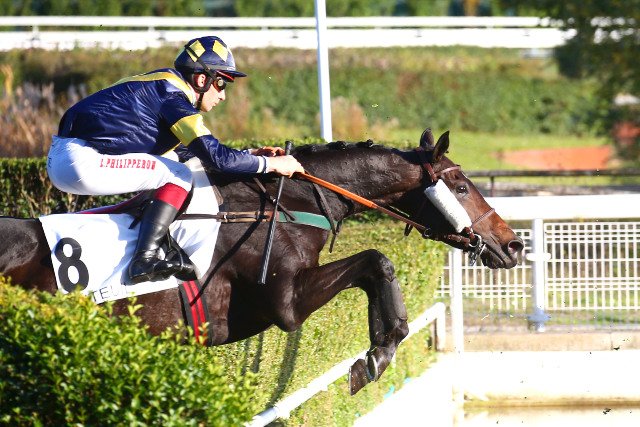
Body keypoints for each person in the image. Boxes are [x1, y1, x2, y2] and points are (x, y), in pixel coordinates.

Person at [47, 35, 304, 285]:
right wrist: (273, 165)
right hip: (81, 161)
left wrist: (250, 155)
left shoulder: (162, 86)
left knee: (174, 167)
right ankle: (145, 259)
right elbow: (218, 159)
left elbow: (192, 154)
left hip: (66, 157)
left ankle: (143, 239)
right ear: (202, 78)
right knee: (178, 175)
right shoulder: (173, 98)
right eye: (222, 83)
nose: (223, 95)